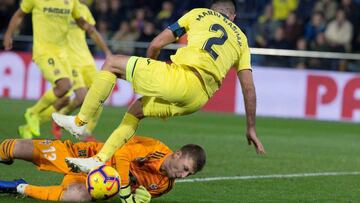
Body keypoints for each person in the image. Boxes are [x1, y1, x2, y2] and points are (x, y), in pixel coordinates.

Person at [53, 0, 265, 173]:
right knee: (136, 111)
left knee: (112, 62)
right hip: (197, 100)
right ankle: (98, 160)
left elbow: (155, 44)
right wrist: (251, 128)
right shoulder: (242, 40)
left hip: (181, 79)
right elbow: (249, 89)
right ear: (233, 17)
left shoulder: (198, 14)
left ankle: (80, 122)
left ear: (212, 10)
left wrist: (152, 66)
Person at [3, 0, 111, 139]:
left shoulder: (73, 3)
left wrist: (101, 44)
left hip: (66, 55)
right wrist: (8, 34)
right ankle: (33, 113)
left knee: (67, 98)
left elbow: (84, 24)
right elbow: (19, 14)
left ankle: (30, 126)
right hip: (47, 52)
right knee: (70, 90)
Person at [0, 136, 206, 202]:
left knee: (77, 197)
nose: (184, 175)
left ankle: (20, 187)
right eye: (185, 168)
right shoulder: (154, 148)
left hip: (93, 180)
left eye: (189, 174)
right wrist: (126, 189)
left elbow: (119, 194)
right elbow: (122, 153)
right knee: (19, 148)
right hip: (87, 156)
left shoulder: (164, 185)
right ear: (177, 154)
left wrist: (134, 198)